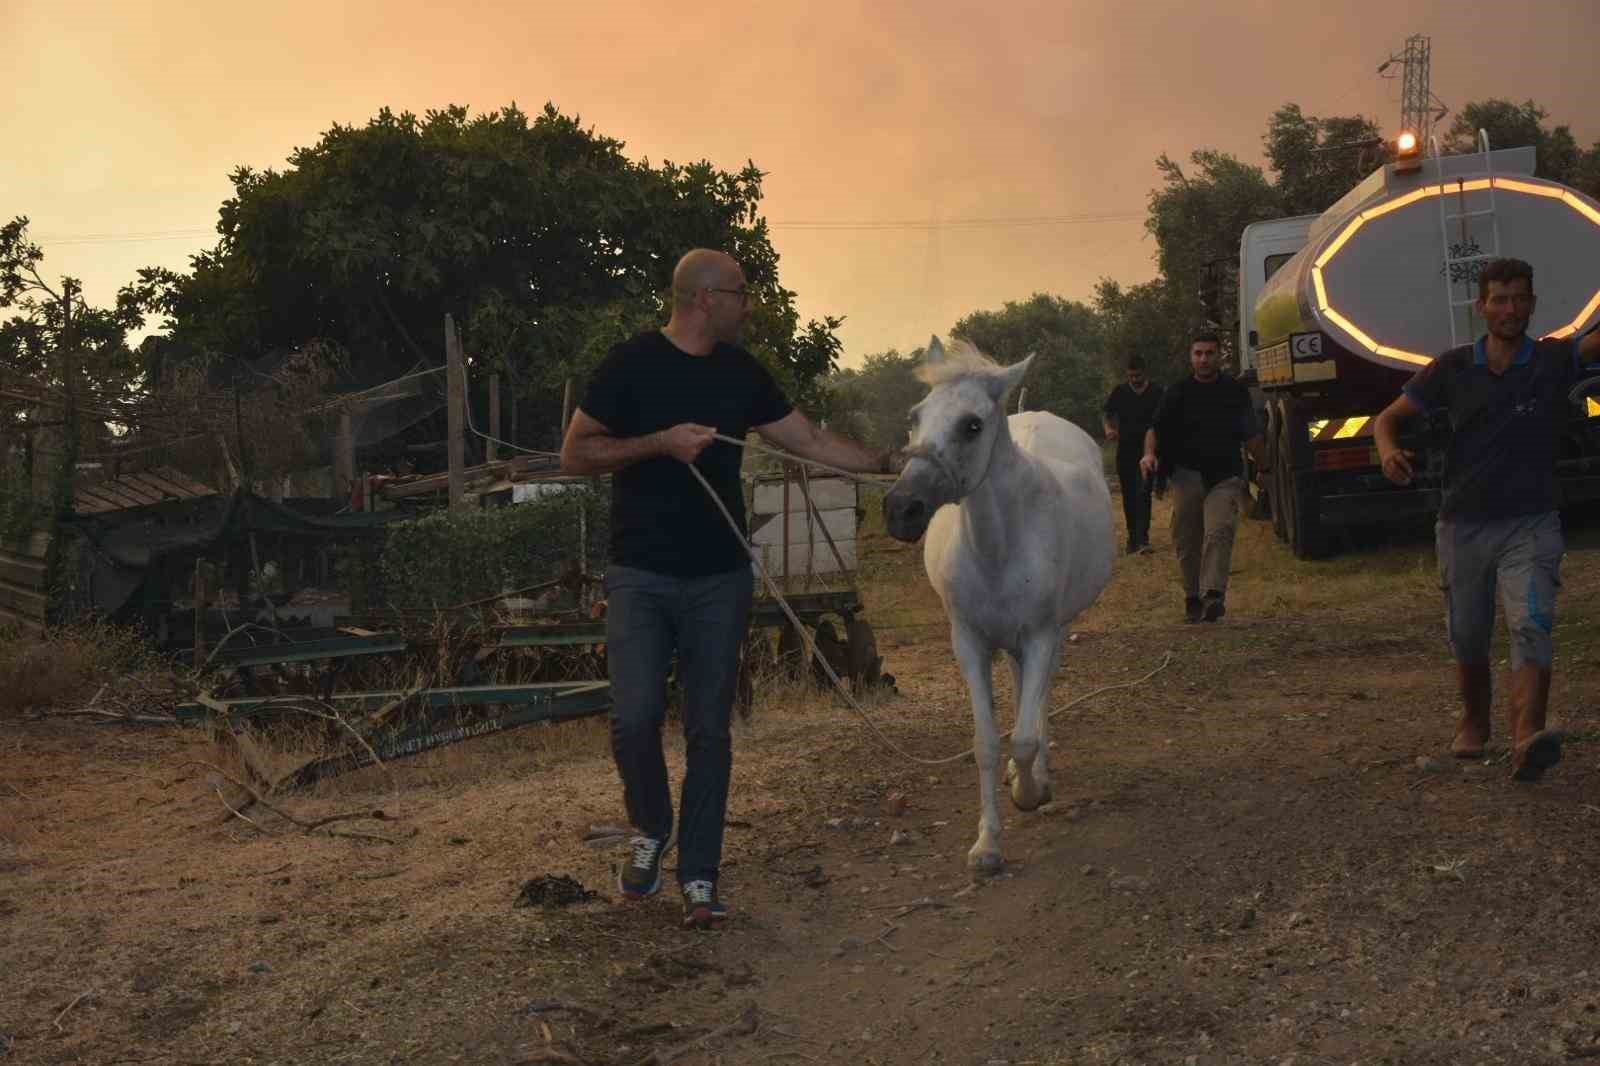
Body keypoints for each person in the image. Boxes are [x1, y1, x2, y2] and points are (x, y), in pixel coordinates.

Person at [560, 248, 899, 929]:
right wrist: (660, 443)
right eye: (742, 293)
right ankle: (652, 830)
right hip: (640, 575)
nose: (751, 304)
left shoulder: (742, 373)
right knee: (633, 719)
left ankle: (701, 876)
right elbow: (576, 455)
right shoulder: (629, 365)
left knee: (710, 728)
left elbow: (808, 439)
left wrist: (888, 463)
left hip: (719, 577)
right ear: (705, 299)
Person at [1373, 257, 1600, 782]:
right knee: (1469, 634)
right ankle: (1475, 720)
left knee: (1531, 624)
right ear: (1482, 307)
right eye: (1500, 299)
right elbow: (1388, 419)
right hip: (1463, 524)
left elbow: (1592, 345)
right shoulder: (1452, 369)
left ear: (1533, 304)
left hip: (1531, 521)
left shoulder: (1550, 360)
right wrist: (1387, 451)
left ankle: (1528, 739)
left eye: (1520, 298)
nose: (1510, 309)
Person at [1140, 330, 1266, 623]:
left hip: (1224, 476)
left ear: (1219, 355)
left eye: (1209, 353)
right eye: (1198, 353)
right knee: (1187, 539)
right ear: (1191, 357)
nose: (1204, 359)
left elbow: (1251, 433)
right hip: (1186, 475)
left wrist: (1265, 467)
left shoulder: (1233, 391)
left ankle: (1212, 595)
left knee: (1219, 531)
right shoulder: (1178, 392)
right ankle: (1192, 596)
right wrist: (1149, 454)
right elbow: (1155, 429)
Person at [1102, 356, 1164, 554]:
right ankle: (1132, 538)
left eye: (1137, 375)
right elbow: (1106, 413)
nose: (1134, 379)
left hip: (1148, 452)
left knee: (1144, 492)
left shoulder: (1156, 392)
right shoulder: (1120, 392)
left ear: (1144, 372)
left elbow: (1165, 418)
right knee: (1129, 495)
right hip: (1126, 451)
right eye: (1130, 376)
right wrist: (1108, 429)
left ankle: (1144, 539)